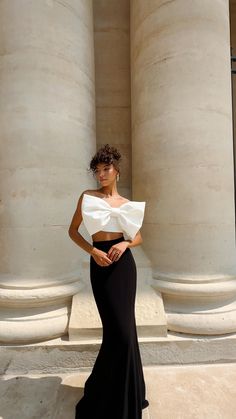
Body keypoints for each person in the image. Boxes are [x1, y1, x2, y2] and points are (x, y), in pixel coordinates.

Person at [68, 144, 149, 419]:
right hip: (100, 264)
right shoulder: (87, 197)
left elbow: (138, 237)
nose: (101, 174)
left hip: (124, 266)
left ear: (117, 171)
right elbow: (73, 231)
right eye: (97, 170)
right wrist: (92, 251)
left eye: (106, 169)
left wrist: (126, 244)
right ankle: (104, 393)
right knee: (117, 333)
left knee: (126, 332)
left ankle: (128, 394)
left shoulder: (127, 204)